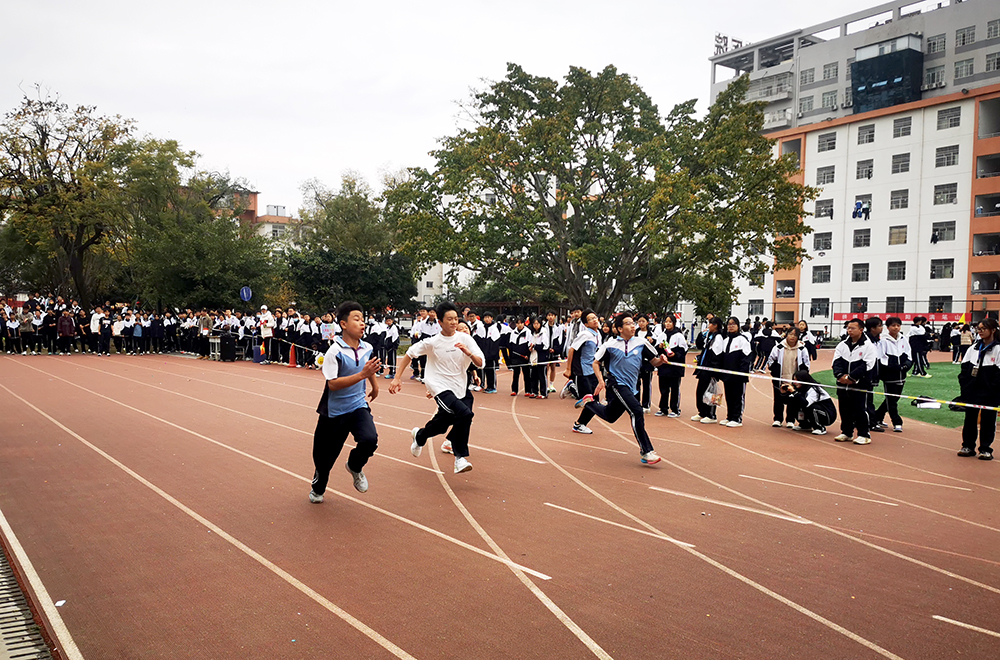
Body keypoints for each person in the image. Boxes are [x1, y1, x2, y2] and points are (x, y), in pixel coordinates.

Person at [390, 301, 485, 474]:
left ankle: (420, 436)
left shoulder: (465, 339)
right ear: (440, 322)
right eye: (449, 319)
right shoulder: (432, 342)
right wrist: (397, 378)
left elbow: (480, 363)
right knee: (465, 414)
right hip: (439, 386)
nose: (454, 322)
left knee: (442, 424)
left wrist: (468, 353)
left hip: (459, 386)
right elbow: (409, 354)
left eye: (456, 318)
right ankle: (460, 458)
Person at [309, 301, 382, 502]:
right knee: (324, 460)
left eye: (363, 319)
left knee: (369, 440)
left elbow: (368, 367)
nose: (362, 323)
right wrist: (362, 375)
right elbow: (333, 384)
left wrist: (374, 385)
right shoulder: (334, 351)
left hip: (357, 406)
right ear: (343, 324)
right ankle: (318, 488)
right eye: (356, 319)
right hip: (334, 412)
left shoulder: (367, 347)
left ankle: (355, 466)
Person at [571, 313, 666, 465]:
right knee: (637, 411)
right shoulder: (610, 345)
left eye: (633, 323)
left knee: (610, 416)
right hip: (616, 384)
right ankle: (647, 451)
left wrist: (660, 360)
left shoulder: (641, 343)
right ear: (620, 329)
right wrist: (601, 381)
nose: (633, 326)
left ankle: (589, 403)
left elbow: (653, 361)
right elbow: (596, 362)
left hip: (633, 387)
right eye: (628, 323)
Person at [956, 318, 1000, 460]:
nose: (980, 331)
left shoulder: (998, 349)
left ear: (993, 330)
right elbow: (964, 369)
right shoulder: (973, 348)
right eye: (978, 329)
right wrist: (965, 387)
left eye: (983, 329)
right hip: (972, 391)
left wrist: (993, 390)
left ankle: (985, 449)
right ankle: (968, 446)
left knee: (988, 420)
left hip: (990, 393)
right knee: (970, 419)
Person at [832, 318, 878, 445]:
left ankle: (864, 434)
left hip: (860, 384)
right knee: (844, 409)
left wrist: (851, 378)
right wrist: (840, 376)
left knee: (860, 409)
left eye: (853, 328)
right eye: (848, 328)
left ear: (861, 330)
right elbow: (836, 362)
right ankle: (847, 432)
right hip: (842, 384)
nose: (849, 330)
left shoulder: (869, 346)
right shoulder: (842, 345)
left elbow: (867, 365)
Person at [712, 316, 753, 427]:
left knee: (737, 397)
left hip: (738, 377)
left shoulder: (742, 340)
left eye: (733, 324)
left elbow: (747, 358)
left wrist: (741, 373)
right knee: (729, 397)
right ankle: (729, 416)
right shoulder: (725, 341)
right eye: (729, 324)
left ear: (738, 326)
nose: (731, 326)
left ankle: (737, 418)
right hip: (727, 376)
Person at [766, 327, 810, 428]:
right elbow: (771, 360)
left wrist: (801, 376)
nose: (792, 337)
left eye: (795, 335)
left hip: (794, 380)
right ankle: (777, 419)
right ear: (786, 334)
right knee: (778, 399)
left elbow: (806, 364)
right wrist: (775, 372)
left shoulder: (802, 349)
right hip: (781, 378)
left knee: (792, 400)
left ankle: (790, 420)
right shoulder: (779, 347)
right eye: (790, 334)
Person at [873, 316, 911, 433]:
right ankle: (897, 422)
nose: (896, 328)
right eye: (893, 325)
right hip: (889, 375)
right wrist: (894, 367)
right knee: (891, 399)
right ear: (888, 327)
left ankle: (877, 416)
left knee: (895, 398)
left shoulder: (903, 339)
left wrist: (906, 365)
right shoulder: (883, 341)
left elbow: (908, 354)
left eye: (898, 325)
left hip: (901, 374)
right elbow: (882, 357)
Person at [562, 308, 601, 406]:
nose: (594, 320)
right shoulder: (584, 334)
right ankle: (571, 387)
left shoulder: (598, 335)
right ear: (586, 324)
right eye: (591, 319)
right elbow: (572, 349)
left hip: (593, 369)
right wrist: (568, 369)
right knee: (586, 399)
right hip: (583, 370)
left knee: (594, 399)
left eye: (595, 317)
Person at [654, 314, 687, 417]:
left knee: (674, 388)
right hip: (664, 366)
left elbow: (683, 350)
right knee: (663, 388)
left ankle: (675, 409)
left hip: (675, 367)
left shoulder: (679, 336)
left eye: (670, 322)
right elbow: (656, 350)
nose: (667, 324)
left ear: (674, 323)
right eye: (666, 322)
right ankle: (663, 408)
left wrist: (675, 355)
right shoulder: (662, 335)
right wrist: (659, 347)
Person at [784, 370, 837, 435]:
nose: (795, 382)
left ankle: (820, 428)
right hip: (816, 410)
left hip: (828, 415)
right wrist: (784, 393)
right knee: (793, 402)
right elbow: (786, 402)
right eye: (794, 380)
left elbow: (806, 404)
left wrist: (794, 392)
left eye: (797, 380)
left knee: (811, 407)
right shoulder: (799, 389)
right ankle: (804, 425)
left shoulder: (813, 389)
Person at [692, 316, 723, 423]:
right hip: (703, 368)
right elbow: (700, 345)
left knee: (710, 393)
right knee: (700, 391)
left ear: (716, 326)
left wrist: (713, 371)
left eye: (710, 324)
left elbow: (716, 355)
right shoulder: (709, 336)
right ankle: (702, 412)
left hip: (710, 370)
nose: (708, 326)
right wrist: (702, 334)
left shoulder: (718, 337)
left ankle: (711, 415)